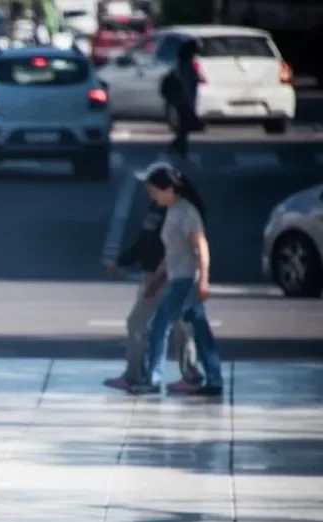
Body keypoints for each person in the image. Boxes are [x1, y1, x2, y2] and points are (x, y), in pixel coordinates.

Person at [104, 161, 202, 390]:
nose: (147, 190)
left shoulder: (178, 211)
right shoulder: (156, 208)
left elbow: (184, 247)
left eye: (150, 186)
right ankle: (140, 374)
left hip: (170, 276)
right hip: (154, 275)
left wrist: (161, 276)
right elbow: (143, 243)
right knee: (155, 324)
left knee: (170, 326)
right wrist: (122, 261)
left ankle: (185, 375)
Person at [129, 164, 224, 397]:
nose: (151, 196)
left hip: (186, 281)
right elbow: (171, 252)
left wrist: (203, 280)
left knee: (158, 326)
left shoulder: (186, 213)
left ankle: (153, 379)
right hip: (178, 278)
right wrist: (158, 280)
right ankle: (214, 379)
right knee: (201, 331)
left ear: (169, 188)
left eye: (153, 191)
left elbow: (201, 246)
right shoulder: (173, 211)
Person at [161, 39, 201, 159]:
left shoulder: (182, 63)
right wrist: (189, 101)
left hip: (181, 99)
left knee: (184, 127)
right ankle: (178, 147)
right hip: (184, 99)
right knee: (184, 126)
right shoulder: (186, 65)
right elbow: (186, 84)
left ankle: (179, 147)